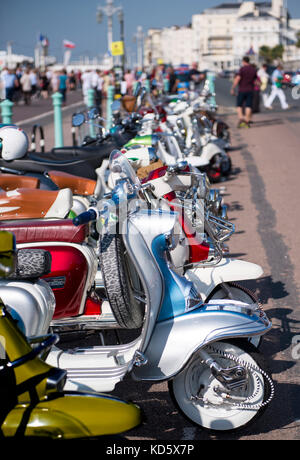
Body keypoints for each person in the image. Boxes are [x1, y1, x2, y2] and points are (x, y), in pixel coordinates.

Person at [230, 56, 258, 128]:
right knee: (248, 105)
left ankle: (241, 119)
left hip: (242, 90)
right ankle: (246, 120)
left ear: (243, 61)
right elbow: (256, 81)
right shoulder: (253, 70)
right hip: (250, 90)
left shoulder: (242, 69)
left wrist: (233, 88)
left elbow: (238, 78)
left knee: (239, 105)